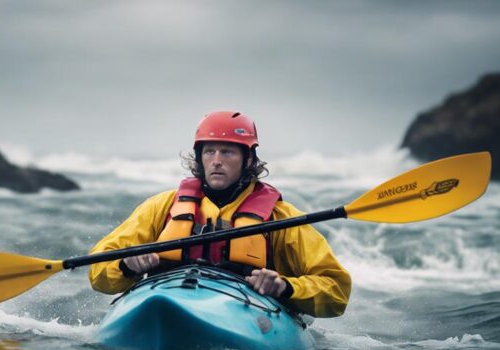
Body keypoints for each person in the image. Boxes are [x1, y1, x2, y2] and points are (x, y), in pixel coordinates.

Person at [88, 111, 351, 317]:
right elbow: (98, 269)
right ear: (199, 157)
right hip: (165, 296)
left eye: (227, 152)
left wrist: (285, 286)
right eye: (209, 151)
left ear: (248, 159)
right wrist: (126, 266)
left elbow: (336, 291)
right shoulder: (163, 206)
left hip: (246, 310)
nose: (216, 160)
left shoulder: (281, 217)